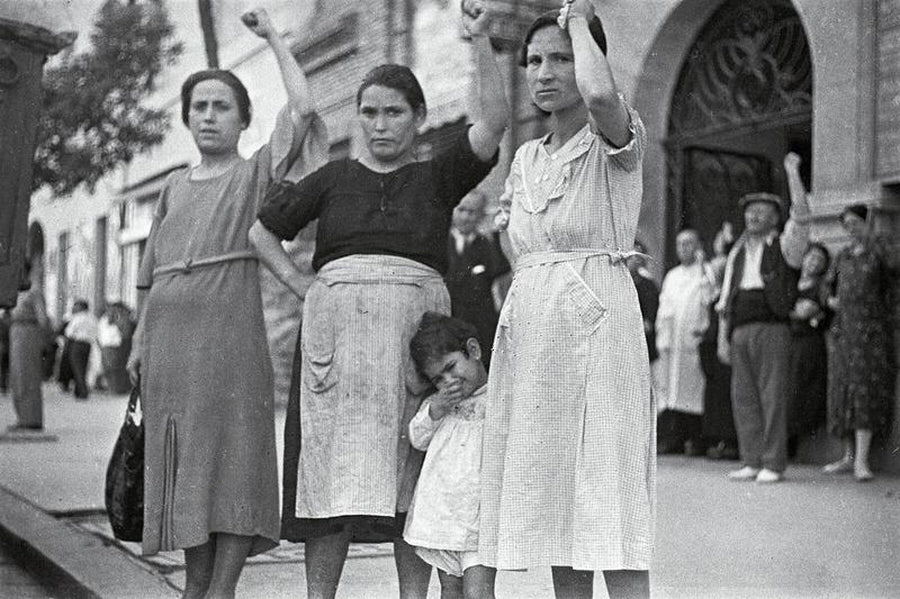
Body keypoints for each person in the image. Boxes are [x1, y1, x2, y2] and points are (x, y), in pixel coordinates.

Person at [249, 2, 507, 596]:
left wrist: (482, 38)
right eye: (369, 112)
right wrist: (305, 286)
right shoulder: (332, 179)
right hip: (337, 354)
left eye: (394, 112)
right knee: (329, 484)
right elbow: (263, 231)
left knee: (414, 478)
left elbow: (493, 121)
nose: (379, 123)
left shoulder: (436, 178)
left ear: (418, 118)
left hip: (411, 350)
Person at [125, 8, 327, 598]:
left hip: (231, 346)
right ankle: (197, 584)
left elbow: (305, 109)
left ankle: (223, 588)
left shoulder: (255, 173)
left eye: (221, 106)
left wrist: (272, 38)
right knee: (188, 465)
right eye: (199, 107)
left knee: (234, 459)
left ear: (243, 120)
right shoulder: (169, 187)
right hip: (169, 352)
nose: (208, 116)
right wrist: (140, 341)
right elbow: (146, 279)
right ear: (187, 119)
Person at [478, 1, 653, 597]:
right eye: (534, 60)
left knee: (610, 493)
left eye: (563, 58)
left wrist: (578, 18)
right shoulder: (525, 158)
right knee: (555, 502)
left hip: (600, 325)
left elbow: (602, 97)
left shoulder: (614, 136)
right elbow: (519, 247)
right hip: (536, 335)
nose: (545, 72)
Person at [716, 151, 810, 484]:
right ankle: (751, 460)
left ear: (774, 218)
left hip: (772, 327)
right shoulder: (737, 253)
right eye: (750, 212)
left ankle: (773, 462)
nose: (754, 217)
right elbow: (726, 299)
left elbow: (802, 216)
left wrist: (792, 172)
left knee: (772, 396)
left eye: (762, 212)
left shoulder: (785, 247)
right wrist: (723, 339)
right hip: (740, 328)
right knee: (743, 398)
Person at [404, 312, 495, 599]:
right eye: (438, 379)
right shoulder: (441, 405)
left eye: (451, 367)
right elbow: (417, 437)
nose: (448, 381)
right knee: (450, 589)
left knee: (478, 592)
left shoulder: (499, 397)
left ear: (474, 350)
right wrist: (436, 409)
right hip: (445, 516)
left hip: (482, 515)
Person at [822, 203, 898, 481]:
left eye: (855, 222)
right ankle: (847, 456)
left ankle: (862, 461)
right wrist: (829, 300)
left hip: (870, 333)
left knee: (865, 392)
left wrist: (876, 238)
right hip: (844, 332)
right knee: (842, 392)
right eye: (847, 224)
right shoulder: (842, 256)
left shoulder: (878, 253)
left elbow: (893, 269)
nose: (850, 228)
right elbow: (827, 287)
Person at [655, 229, 717, 456]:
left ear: (698, 245)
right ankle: (675, 439)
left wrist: (704, 267)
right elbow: (665, 308)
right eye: (680, 244)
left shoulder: (704, 272)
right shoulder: (672, 275)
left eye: (689, 243)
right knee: (672, 391)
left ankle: (696, 440)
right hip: (673, 343)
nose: (684, 248)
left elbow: (709, 296)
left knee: (693, 391)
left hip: (693, 341)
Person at [445, 190, 510, 370]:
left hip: (480, 325)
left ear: (481, 215)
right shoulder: (439, 242)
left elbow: (501, 284)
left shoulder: (488, 245)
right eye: (461, 210)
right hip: (448, 321)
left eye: (472, 212)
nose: (465, 217)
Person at [786, 242, 830, 457]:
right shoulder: (791, 281)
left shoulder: (821, 288)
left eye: (820, 261)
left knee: (799, 389)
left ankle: (791, 443)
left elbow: (815, 314)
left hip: (807, 344)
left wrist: (804, 315)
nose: (814, 263)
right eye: (811, 257)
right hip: (788, 341)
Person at [699, 224, 738, 460]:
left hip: (724, 337)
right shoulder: (713, 273)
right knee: (716, 393)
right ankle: (718, 439)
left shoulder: (727, 267)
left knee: (724, 392)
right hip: (712, 338)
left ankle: (728, 441)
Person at [7, 261, 50, 431]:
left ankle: (32, 419)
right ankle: (22, 417)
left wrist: (43, 340)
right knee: (17, 377)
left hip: (28, 331)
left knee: (28, 376)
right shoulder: (17, 292)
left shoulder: (34, 291)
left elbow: (43, 318)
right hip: (16, 331)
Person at [626, 241, 659, 365]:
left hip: (641, 347)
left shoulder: (648, 286)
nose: (632, 260)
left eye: (636, 257)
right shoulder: (617, 284)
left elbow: (648, 324)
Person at [64, 299, 97, 400]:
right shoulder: (93, 318)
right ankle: (79, 390)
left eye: (75, 306)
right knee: (84, 366)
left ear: (81, 307)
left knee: (77, 367)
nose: (73, 308)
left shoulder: (77, 317)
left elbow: (68, 332)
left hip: (77, 344)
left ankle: (82, 391)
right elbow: (96, 331)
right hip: (88, 344)